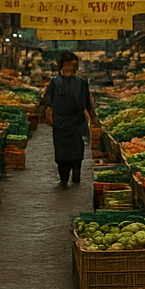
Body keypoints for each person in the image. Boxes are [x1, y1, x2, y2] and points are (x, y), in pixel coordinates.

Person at [40, 51, 96, 187]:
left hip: (77, 122)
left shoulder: (81, 82)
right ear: (62, 66)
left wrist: (93, 119)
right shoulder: (55, 82)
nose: (71, 68)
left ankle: (76, 172)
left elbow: (87, 103)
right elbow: (47, 100)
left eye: (73, 65)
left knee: (77, 151)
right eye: (68, 65)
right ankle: (63, 177)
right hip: (60, 122)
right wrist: (46, 114)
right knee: (61, 152)